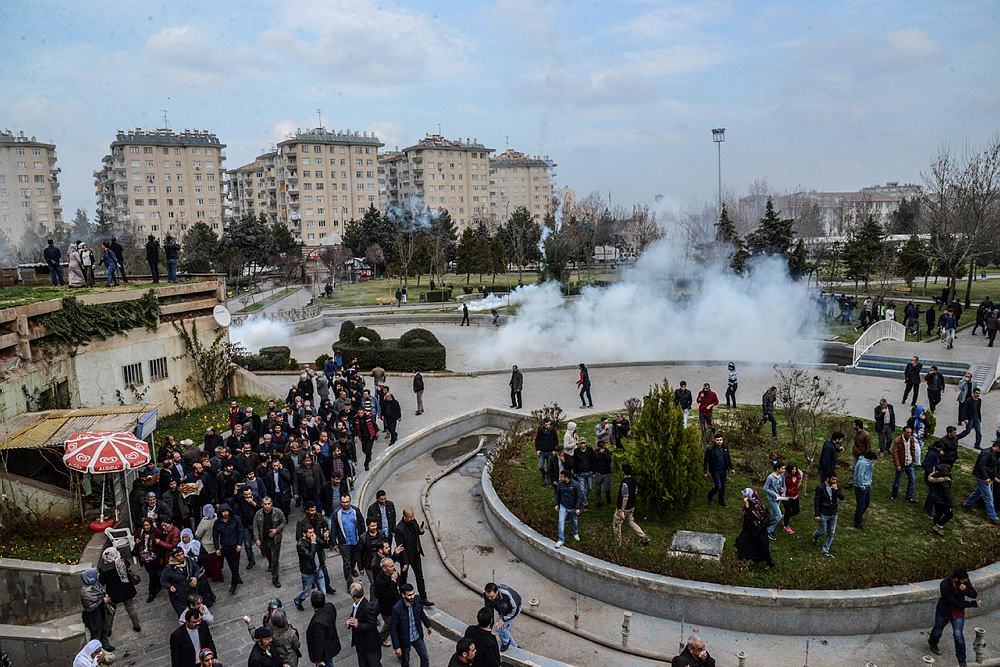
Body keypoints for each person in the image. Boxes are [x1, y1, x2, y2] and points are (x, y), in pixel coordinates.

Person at [928, 568, 980, 665]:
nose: (966, 581)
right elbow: (954, 603)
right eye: (964, 579)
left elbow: (974, 594)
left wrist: (965, 590)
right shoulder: (944, 585)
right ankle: (933, 642)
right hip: (944, 611)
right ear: (956, 579)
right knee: (937, 629)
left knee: (958, 635)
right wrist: (972, 604)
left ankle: (962, 661)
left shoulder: (964, 582)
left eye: (966, 579)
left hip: (958, 613)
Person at [97, 546, 141, 635]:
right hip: (126, 590)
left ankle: (108, 631)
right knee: (131, 609)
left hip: (113, 593)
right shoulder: (122, 562)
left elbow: (101, 583)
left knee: (110, 613)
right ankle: (136, 625)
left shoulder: (104, 569)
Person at [395, 507, 433, 606]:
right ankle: (402, 597)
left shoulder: (413, 521)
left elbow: (417, 531)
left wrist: (421, 531)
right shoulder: (399, 529)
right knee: (404, 578)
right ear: (404, 517)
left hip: (415, 554)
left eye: (413, 517)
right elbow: (401, 547)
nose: (412, 519)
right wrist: (405, 562)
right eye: (410, 517)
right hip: (406, 556)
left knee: (420, 576)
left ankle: (423, 598)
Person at [389, 583, 433, 667]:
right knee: (405, 661)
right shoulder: (397, 608)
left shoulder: (417, 600)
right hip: (405, 639)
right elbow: (393, 628)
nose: (412, 596)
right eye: (409, 595)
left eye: (413, 593)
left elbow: (421, 613)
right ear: (403, 595)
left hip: (417, 636)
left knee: (425, 657)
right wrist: (396, 646)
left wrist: (428, 625)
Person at [961, 440, 1000, 523]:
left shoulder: (994, 454)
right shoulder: (986, 453)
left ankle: (967, 504)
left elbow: (992, 467)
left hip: (988, 478)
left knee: (978, 492)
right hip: (983, 478)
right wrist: (986, 478)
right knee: (989, 498)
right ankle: (993, 517)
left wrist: (994, 477)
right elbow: (981, 466)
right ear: (997, 446)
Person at [734, 488, 773, 568]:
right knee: (743, 542)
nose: (743, 497)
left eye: (744, 496)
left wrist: (747, 506)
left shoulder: (754, 506)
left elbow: (752, 517)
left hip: (757, 530)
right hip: (750, 529)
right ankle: (742, 558)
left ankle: (768, 563)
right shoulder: (755, 501)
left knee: (762, 546)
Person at [254, 496, 287, 587]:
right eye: (265, 504)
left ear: (271, 504)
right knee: (267, 554)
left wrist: (276, 530)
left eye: (269, 504)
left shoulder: (278, 512)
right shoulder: (258, 514)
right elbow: (255, 527)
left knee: (275, 559)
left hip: (275, 540)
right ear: (262, 504)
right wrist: (257, 539)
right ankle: (270, 563)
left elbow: (284, 522)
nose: (267, 506)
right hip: (264, 539)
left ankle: (275, 577)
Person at [347, 581, 382, 667]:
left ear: (353, 596)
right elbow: (354, 615)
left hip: (370, 645)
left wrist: (358, 625)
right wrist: (350, 621)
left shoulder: (367, 607)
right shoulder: (356, 604)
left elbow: (373, 624)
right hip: (361, 643)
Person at [332, 493, 365, 586]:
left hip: (355, 540)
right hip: (344, 542)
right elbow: (334, 528)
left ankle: (352, 569)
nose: (345, 504)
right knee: (346, 562)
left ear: (350, 501)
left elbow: (361, 523)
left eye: (347, 502)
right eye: (343, 502)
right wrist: (334, 542)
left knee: (354, 558)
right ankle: (349, 581)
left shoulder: (355, 511)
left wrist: (363, 536)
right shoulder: (336, 513)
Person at [212, 503, 245, 594]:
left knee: (235, 564)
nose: (225, 513)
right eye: (223, 512)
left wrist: (239, 544)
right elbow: (215, 536)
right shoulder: (217, 523)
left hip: (235, 546)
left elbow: (241, 531)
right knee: (231, 565)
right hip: (225, 547)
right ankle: (237, 577)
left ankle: (233, 584)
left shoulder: (236, 519)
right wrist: (217, 548)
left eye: (226, 511)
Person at [614, 463, 650, 546]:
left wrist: (622, 511)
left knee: (616, 525)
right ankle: (643, 537)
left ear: (623, 472)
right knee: (631, 522)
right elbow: (635, 492)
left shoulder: (624, 483)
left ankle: (617, 543)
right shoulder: (634, 481)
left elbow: (625, 498)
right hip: (631, 507)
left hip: (623, 508)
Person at [294, 525, 328, 611]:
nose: (312, 534)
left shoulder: (314, 538)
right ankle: (298, 600)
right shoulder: (300, 544)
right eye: (310, 532)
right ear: (304, 534)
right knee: (306, 592)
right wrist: (313, 543)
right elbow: (310, 556)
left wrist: (325, 538)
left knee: (323, 591)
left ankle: (321, 606)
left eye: (313, 532)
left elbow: (324, 545)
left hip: (318, 568)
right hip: (308, 572)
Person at [812, 473, 844, 558]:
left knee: (831, 533)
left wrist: (836, 490)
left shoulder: (836, 486)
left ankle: (825, 550)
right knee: (822, 531)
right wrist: (817, 514)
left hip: (833, 513)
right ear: (827, 479)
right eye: (833, 479)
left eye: (836, 480)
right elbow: (816, 501)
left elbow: (842, 497)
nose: (835, 481)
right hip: (824, 513)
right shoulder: (820, 487)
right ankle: (815, 536)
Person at [80, 568, 113, 651]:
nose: (98, 575)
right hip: (93, 616)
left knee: (104, 629)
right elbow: (89, 605)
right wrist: (103, 601)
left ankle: (106, 645)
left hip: (101, 611)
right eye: (96, 573)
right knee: (96, 634)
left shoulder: (96, 584)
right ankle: (95, 651)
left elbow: (102, 592)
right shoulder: (85, 591)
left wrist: (105, 596)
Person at [483, 582, 521, 652]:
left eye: (492, 597)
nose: (490, 598)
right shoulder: (487, 595)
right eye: (488, 596)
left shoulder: (507, 595)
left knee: (499, 627)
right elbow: (489, 610)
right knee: (504, 629)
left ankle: (506, 643)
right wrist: (489, 626)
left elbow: (514, 610)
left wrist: (503, 619)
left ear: (497, 592)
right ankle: (514, 646)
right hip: (502, 609)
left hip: (512, 610)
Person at [307, 590, 342, 667]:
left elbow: (319, 643)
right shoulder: (330, 607)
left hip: (325, 652)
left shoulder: (317, 623)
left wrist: (318, 660)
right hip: (331, 642)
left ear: (312, 604)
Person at [553, 469, 582, 548]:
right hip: (563, 506)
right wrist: (556, 504)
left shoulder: (575, 485)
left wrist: (577, 508)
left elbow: (579, 497)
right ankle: (561, 539)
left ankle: (575, 533)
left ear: (567, 478)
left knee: (574, 522)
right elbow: (557, 495)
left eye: (562, 477)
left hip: (573, 507)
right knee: (561, 521)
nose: (560, 478)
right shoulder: (560, 484)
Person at [704, 433, 734, 507]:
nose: (719, 441)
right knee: (718, 486)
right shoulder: (710, 449)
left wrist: (731, 468)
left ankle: (721, 500)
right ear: (714, 440)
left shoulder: (725, 448)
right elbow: (705, 461)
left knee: (723, 486)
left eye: (721, 440)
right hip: (715, 470)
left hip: (723, 470)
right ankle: (710, 495)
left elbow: (728, 458)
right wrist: (705, 471)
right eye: (717, 440)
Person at [891, 425, 919, 502]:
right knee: (898, 480)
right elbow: (895, 453)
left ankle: (909, 496)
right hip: (901, 464)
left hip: (909, 463)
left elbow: (912, 449)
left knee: (912, 480)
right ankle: (894, 495)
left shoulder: (912, 439)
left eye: (910, 432)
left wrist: (913, 460)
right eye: (907, 432)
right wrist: (898, 465)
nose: (909, 434)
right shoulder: (898, 441)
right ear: (903, 432)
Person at [762, 461, 786, 540]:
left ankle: (765, 526)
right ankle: (769, 530)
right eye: (782, 469)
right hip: (772, 499)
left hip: (779, 498)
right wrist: (773, 494)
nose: (784, 470)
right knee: (778, 516)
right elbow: (765, 488)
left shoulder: (782, 476)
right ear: (777, 469)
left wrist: (782, 489)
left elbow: (783, 485)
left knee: (773, 515)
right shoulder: (770, 477)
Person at [928, 463, 954, 536]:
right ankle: (937, 527)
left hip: (934, 499)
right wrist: (950, 505)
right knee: (949, 514)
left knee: (938, 513)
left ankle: (935, 526)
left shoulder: (934, 478)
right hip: (942, 501)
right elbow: (947, 495)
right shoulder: (945, 482)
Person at [853, 451, 877, 529]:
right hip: (861, 487)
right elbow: (860, 475)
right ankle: (857, 522)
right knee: (861, 505)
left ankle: (858, 516)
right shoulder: (862, 463)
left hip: (867, 485)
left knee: (866, 503)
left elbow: (869, 473)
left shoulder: (869, 463)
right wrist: (861, 485)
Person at [782, 463, 805, 534]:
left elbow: (800, 479)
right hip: (786, 496)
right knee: (788, 510)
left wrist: (797, 487)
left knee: (796, 511)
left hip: (795, 496)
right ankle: (786, 526)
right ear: (789, 470)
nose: (794, 471)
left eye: (795, 469)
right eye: (792, 469)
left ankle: (784, 517)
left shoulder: (799, 474)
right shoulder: (784, 475)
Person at [534, 417, 558, 486]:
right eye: (547, 424)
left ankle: (548, 481)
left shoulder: (553, 430)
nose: (548, 426)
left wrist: (554, 450)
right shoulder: (540, 429)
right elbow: (537, 440)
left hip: (550, 451)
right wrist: (537, 450)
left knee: (549, 467)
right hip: (542, 451)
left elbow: (556, 440)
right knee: (540, 466)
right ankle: (544, 473)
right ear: (544, 424)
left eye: (549, 424)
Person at [592, 439, 613, 508]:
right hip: (598, 473)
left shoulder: (608, 452)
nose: (601, 448)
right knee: (597, 489)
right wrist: (594, 472)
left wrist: (605, 454)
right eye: (600, 446)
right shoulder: (595, 452)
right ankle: (598, 502)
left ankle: (608, 497)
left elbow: (609, 461)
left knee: (607, 489)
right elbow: (593, 462)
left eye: (602, 446)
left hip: (606, 473)